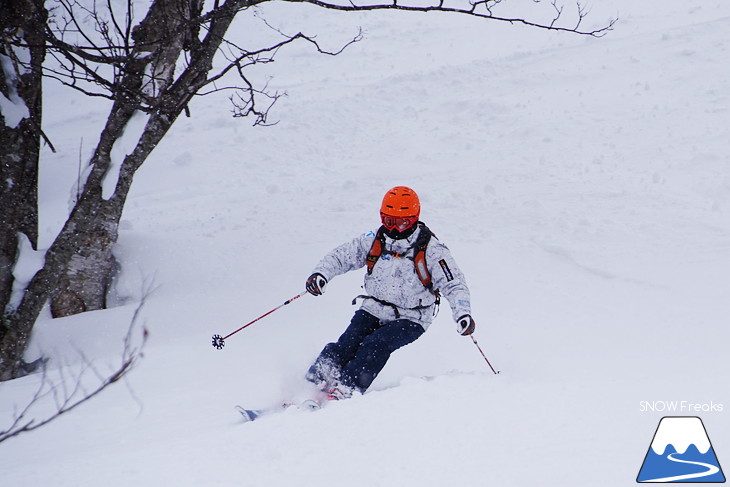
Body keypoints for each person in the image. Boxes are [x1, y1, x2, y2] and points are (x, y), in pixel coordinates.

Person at [304, 186, 476, 400]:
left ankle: (346, 389)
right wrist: (321, 274)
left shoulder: (432, 250)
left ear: (413, 219)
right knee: (346, 343)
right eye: (388, 221)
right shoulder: (374, 239)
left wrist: (462, 314)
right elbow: (342, 256)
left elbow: (454, 283)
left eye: (401, 223)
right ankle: (310, 386)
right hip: (374, 307)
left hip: (412, 317)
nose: (394, 229)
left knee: (376, 344)